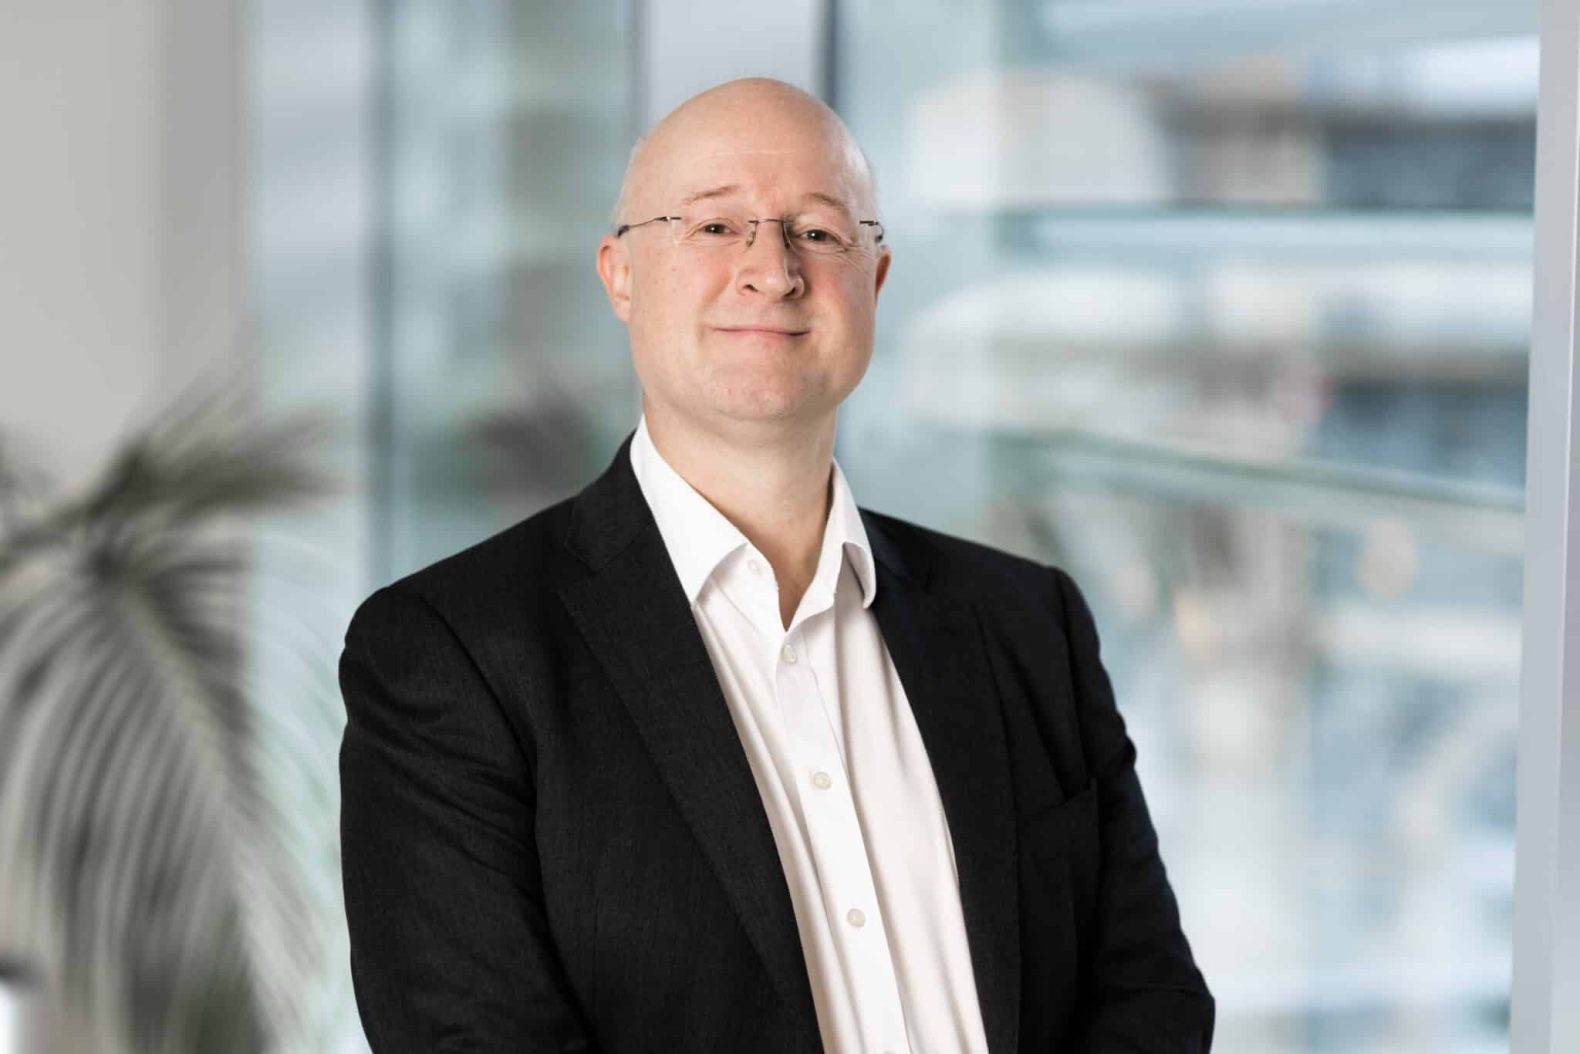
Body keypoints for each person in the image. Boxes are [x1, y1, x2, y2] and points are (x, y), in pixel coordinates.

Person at [338, 77, 1213, 1054]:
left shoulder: (1028, 622)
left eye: (818, 231)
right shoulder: (453, 656)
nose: (773, 270)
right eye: (715, 226)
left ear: (875, 280)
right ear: (620, 275)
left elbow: (1150, 996)